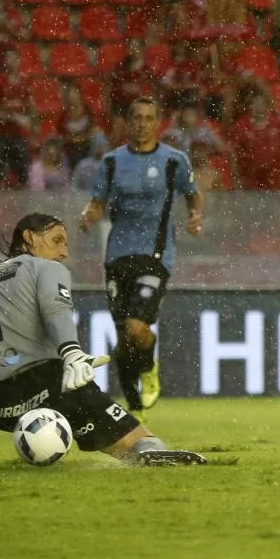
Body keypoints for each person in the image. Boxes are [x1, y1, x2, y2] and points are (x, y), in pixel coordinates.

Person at [0, 213, 205, 467]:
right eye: (57, 240)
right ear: (29, 239)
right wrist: (72, 354)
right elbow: (56, 311)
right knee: (94, 404)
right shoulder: (43, 267)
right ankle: (145, 448)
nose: (64, 252)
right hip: (43, 387)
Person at [80, 97, 205, 422]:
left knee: (137, 329)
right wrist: (89, 215)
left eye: (149, 118)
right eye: (136, 117)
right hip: (117, 255)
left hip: (155, 255)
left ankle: (149, 369)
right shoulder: (111, 162)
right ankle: (133, 405)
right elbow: (97, 202)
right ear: (129, 121)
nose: (142, 123)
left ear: (158, 122)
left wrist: (195, 215)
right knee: (123, 336)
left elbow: (193, 193)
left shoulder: (174, 161)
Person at [0, 48, 33, 187]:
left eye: (12, 58)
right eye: (7, 59)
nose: (9, 62)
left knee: (23, 158)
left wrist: (32, 124)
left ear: (19, 61)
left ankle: (21, 190)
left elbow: (32, 109)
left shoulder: (25, 82)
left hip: (18, 135)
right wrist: (15, 117)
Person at [229, 92, 280, 191]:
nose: (258, 107)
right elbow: (233, 152)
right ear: (250, 106)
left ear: (267, 106)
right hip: (249, 178)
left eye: (260, 104)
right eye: (255, 103)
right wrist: (235, 176)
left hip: (274, 178)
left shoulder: (278, 124)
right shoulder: (241, 125)